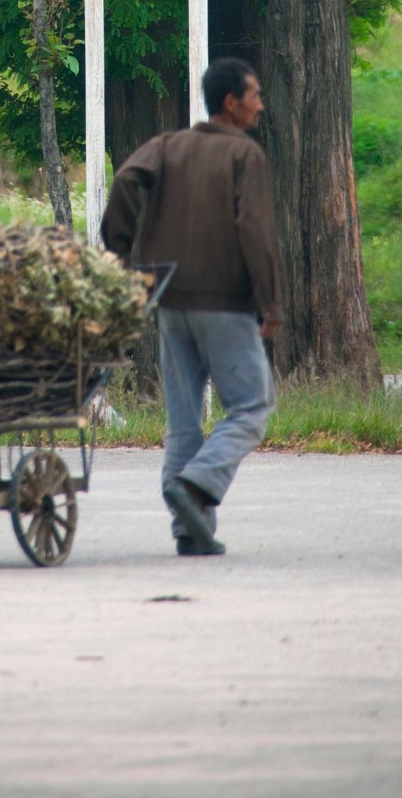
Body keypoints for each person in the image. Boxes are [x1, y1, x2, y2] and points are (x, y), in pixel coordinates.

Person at [101, 57, 282, 556]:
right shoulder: (244, 155)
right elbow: (255, 230)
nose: (260, 104)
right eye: (255, 95)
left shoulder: (168, 146)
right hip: (223, 302)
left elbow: (125, 179)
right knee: (252, 405)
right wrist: (269, 301)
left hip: (169, 299)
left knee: (183, 420)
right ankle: (199, 484)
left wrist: (118, 252)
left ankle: (189, 529)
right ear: (232, 102)